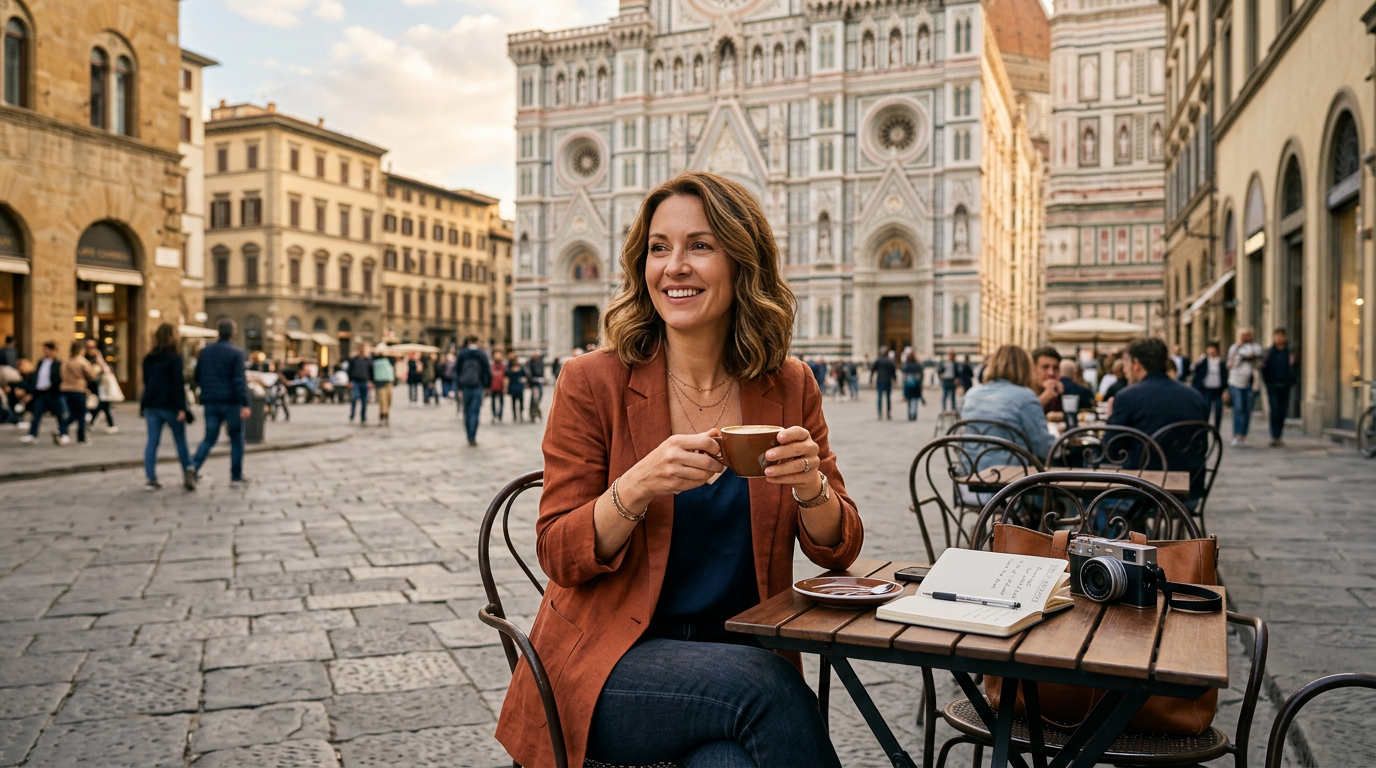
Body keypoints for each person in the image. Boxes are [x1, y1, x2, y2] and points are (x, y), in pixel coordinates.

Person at [496, 171, 859, 768]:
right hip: (612, 663)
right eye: (659, 249)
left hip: (732, 660)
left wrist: (810, 487)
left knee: (729, 761)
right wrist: (637, 485)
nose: (675, 266)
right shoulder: (592, 382)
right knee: (765, 686)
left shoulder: (789, 385)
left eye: (700, 245)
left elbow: (838, 551)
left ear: (743, 263)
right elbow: (558, 553)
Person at [1108, 337, 1208, 456]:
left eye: (1127, 363)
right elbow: (1203, 445)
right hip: (1191, 472)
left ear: (1136, 364)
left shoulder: (1127, 397)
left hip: (1141, 472)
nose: (1125, 369)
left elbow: (1110, 449)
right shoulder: (1195, 396)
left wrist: (1111, 419)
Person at [958, 345, 1054, 466]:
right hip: (1010, 476)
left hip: (970, 472)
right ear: (1026, 368)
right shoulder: (1025, 396)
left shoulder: (971, 394)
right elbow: (1045, 448)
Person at [191, 319, 251, 486]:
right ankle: (236, 476)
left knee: (209, 438)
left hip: (210, 401)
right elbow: (239, 380)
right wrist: (245, 403)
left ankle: (193, 467)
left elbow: (197, 376)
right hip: (231, 402)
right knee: (236, 438)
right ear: (233, 333)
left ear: (218, 332)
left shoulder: (205, 352)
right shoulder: (236, 353)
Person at [141, 323, 195, 491]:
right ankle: (187, 474)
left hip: (151, 404)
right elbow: (177, 384)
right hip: (170, 405)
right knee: (180, 441)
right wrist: (181, 408)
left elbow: (146, 381)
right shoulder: (175, 358)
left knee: (152, 442)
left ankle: (151, 477)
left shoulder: (148, 358)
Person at [1226, 327, 1264, 446]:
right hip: (1235, 382)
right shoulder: (1234, 348)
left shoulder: (1256, 347)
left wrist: (1252, 356)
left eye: (1247, 334)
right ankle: (1236, 435)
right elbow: (1229, 365)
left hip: (1251, 383)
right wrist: (1239, 352)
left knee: (1247, 409)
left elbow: (1259, 362)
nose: (1245, 337)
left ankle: (1243, 435)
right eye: (1242, 334)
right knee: (1238, 407)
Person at [19, 342, 63, 444]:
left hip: (51, 392)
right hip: (40, 392)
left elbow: (57, 378)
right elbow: (35, 377)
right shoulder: (41, 362)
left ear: (53, 351)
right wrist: (30, 390)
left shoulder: (57, 364)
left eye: (47, 350)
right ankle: (32, 434)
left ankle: (62, 432)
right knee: (36, 413)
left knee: (58, 414)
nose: (45, 352)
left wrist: (53, 387)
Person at [56, 340, 98, 445]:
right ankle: (80, 436)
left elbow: (61, 374)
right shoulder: (81, 361)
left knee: (74, 413)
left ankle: (62, 429)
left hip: (65, 389)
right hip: (78, 389)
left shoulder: (65, 361)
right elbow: (91, 374)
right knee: (81, 414)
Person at [1261, 328, 1296, 447]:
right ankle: (1274, 436)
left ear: (1285, 338)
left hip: (1285, 386)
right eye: (1277, 336)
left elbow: (1294, 368)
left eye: (1282, 336)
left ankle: (1279, 436)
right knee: (1274, 410)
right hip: (1272, 385)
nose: (1280, 338)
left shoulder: (1289, 353)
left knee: (1282, 411)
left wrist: (1291, 381)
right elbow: (1264, 368)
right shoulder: (1269, 353)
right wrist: (1267, 382)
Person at [455, 335, 491, 446]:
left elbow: (457, 370)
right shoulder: (481, 354)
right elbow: (487, 371)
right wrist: (487, 385)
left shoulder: (462, 353)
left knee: (466, 411)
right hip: (477, 385)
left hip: (465, 386)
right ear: (476, 342)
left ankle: (468, 435)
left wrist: (459, 387)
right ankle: (473, 436)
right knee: (475, 412)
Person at [84, 339, 119, 433]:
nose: (91, 350)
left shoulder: (98, 358)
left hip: (101, 385)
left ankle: (107, 424)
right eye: (88, 347)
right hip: (91, 386)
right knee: (102, 405)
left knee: (103, 404)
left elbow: (107, 370)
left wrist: (99, 359)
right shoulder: (85, 359)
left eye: (93, 347)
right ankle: (110, 424)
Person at [1191, 342, 1226, 430]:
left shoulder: (1220, 361)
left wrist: (1225, 390)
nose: (1211, 350)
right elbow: (1193, 369)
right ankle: (1205, 427)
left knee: (1218, 409)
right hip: (1207, 389)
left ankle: (1217, 428)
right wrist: (1199, 360)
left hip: (1218, 389)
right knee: (1207, 409)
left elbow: (1224, 375)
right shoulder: (1204, 360)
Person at [1031, 346, 1065, 413]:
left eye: (1055, 368)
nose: (1051, 373)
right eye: (1045, 367)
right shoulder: (1023, 392)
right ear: (1033, 369)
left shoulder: (1061, 391)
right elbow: (1026, 414)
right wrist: (1046, 396)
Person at [347, 344, 372, 424]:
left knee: (364, 401)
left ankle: (363, 417)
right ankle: (352, 414)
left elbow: (371, 372)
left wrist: (371, 381)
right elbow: (349, 370)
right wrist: (349, 381)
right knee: (355, 397)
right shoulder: (354, 359)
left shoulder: (368, 360)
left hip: (365, 382)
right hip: (355, 382)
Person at [870, 345, 896, 419]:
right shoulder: (889, 361)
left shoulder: (878, 360)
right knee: (888, 398)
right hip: (887, 381)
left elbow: (872, 370)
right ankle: (888, 413)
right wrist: (895, 379)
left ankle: (880, 413)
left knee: (879, 398)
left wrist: (871, 380)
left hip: (880, 380)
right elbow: (893, 371)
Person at [900, 350, 926, 421]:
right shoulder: (917, 365)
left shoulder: (906, 365)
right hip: (916, 385)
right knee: (914, 400)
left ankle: (909, 414)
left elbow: (904, 376)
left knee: (909, 400)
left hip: (908, 385)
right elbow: (920, 375)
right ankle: (914, 414)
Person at [372, 352, 395, 426]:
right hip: (380, 382)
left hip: (388, 381)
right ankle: (383, 415)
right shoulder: (375, 362)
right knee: (382, 399)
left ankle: (386, 413)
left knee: (389, 399)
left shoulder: (389, 360)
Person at [527, 349, 546, 421]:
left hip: (540, 381)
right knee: (535, 398)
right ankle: (535, 413)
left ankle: (536, 412)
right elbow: (528, 372)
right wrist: (530, 380)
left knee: (539, 398)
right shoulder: (531, 362)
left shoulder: (540, 361)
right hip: (534, 381)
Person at [489, 351, 507, 423]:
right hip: (493, 387)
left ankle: (500, 416)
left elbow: (506, 377)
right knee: (493, 402)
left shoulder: (504, 367)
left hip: (501, 387)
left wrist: (505, 387)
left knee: (501, 402)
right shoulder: (491, 367)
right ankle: (494, 415)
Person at [507, 356, 527, 422]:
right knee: (514, 403)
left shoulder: (521, 369)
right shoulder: (510, 370)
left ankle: (520, 415)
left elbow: (525, 377)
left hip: (519, 388)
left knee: (520, 402)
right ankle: (515, 416)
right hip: (514, 387)